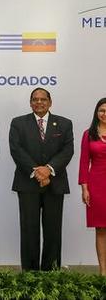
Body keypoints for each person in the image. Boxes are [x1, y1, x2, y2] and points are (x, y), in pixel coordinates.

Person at [9, 88, 73, 271]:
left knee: (53, 231)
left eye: (43, 99)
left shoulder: (64, 124)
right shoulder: (18, 123)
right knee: (29, 231)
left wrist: (49, 170)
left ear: (50, 102)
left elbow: (67, 151)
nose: (39, 102)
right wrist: (37, 171)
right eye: (35, 99)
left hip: (55, 183)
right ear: (30, 103)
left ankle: (51, 273)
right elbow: (16, 149)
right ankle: (30, 273)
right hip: (27, 183)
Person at [79, 97, 106, 275]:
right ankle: (103, 272)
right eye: (102, 110)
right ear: (96, 113)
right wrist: (85, 188)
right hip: (97, 185)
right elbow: (83, 163)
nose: (105, 114)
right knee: (101, 229)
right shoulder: (89, 134)